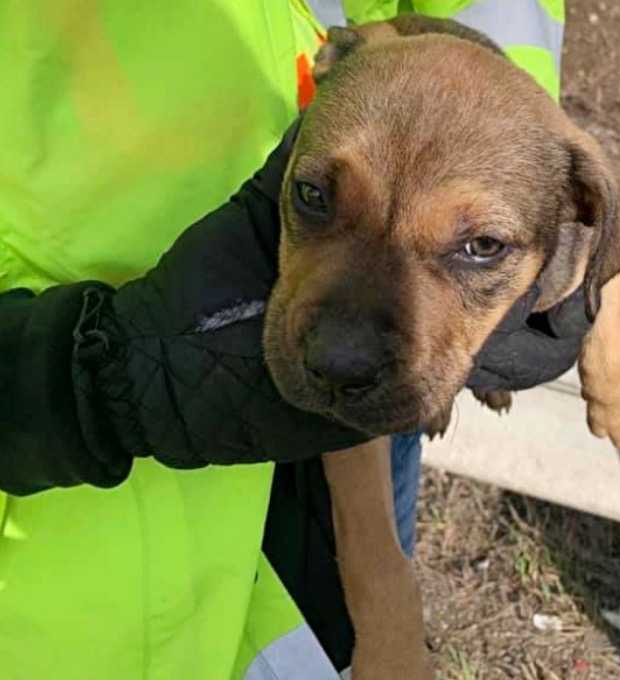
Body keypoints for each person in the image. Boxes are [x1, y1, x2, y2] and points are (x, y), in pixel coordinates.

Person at [0, 2, 571, 678]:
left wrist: (523, 149)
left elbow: (457, 18)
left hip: (236, 558)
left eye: (479, 246)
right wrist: (61, 384)